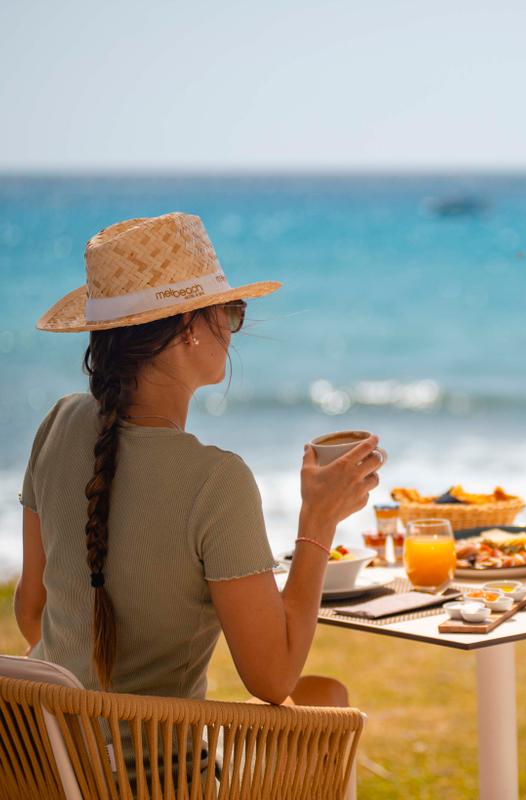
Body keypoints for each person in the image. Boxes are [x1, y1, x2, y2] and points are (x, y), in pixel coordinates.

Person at [14, 212, 380, 724]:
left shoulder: (59, 422)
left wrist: (91, 696)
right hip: (157, 777)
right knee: (328, 700)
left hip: (44, 761)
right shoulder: (216, 481)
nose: (232, 331)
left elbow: (33, 613)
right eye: (230, 313)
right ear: (189, 327)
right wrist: (318, 520)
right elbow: (274, 679)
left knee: (326, 692)